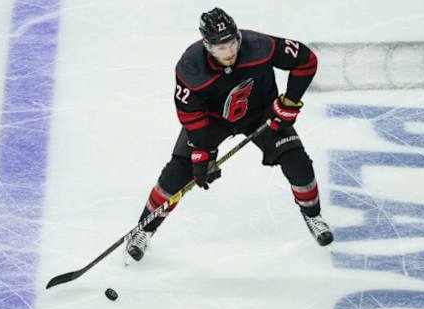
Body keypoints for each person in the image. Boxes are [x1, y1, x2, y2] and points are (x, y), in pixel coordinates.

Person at [126, 7, 333, 262]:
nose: (230, 51)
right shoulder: (191, 67)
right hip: (212, 122)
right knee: (179, 171)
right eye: (220, 47)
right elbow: (191, 116)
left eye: (232, 43)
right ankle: (143, 230)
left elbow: (306, 60)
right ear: (207, 45)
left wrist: (289, 103)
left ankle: (313, 215)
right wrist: (203, 153)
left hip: (261, 113)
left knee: (297, 162)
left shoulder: (259, 45)